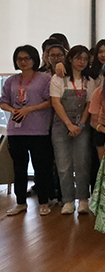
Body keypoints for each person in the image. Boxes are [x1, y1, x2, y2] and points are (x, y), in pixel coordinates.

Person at [0, 45, 55, 216]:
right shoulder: (11, 80)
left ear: (34, 59)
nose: (23, 62)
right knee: (19, 168)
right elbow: (3, 101)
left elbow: (50, 101)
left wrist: (29, 109)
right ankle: (20, 202)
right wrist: (13, 110)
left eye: (27, 58)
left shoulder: (44, 78)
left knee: (41, 167)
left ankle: (44, 202)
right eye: (19, 59)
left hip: (39, 130)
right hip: (16, 131)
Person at [50, 45, 95, 215]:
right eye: (78, 58)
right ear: (70, 59)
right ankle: (68, 200)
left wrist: (80, 124)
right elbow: (56, 103)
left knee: (82, 163)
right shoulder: (58, 78)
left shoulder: (89, 81)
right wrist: (69, 125)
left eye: (85, 59)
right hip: (61, 125)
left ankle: (83, 199)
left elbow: (89, 105)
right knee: (63, 165)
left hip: (82, 126)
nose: (82, 62)